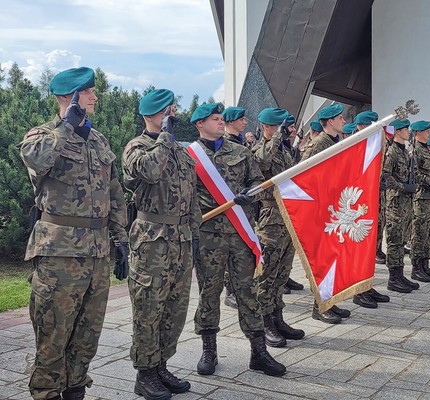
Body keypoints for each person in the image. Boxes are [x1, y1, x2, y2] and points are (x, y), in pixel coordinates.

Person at [18, 67, 129, 400]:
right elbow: (37, 162)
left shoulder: (98, 140)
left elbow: (114, 191)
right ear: (70, 96)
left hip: (96, 256)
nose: (95, 96)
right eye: (89, 91)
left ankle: (76, 391)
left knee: (86, 338)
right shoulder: (41, 136)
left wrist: (120, 238)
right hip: (59, 256)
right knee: (53, 338)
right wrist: (67, 126)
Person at [190, 103, 286, 377]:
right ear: (200, 124)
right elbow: (184, 197)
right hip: (208, 237)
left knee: (248, 293)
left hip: (240, 234)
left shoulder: (241, 152)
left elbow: (257, 183)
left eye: (222, 119)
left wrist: (249, 194)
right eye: (215, 119)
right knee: (209, 293)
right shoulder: (189, 157)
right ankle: (209, 350)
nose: (221, 122)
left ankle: (258, 352)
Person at [121, 89, 199, 399]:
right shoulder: (136, 148)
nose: (174, 115)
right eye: (168, 111)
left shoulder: (180, 152)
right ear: (152, 115)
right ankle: (145, 373)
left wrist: (193, 233)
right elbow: (150, 171)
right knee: (148, 309)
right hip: (151, 241)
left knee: (175, 310)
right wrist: (165, 137)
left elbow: (190, 196)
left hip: (180, 240)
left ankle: (161, 365)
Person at [252, 107, 306, 347]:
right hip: (271, 218)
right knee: (267, 274)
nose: (287, 131)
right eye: (281, 127)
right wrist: (274, 137)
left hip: (288, 217)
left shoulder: (284, 150)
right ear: (267, 127)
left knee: (282, 273)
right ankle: (264, 323)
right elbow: (261, 163)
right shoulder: (259, 149)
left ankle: (277, 318)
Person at [300, 104, 353, 323]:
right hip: (321, 211)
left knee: (333, 258)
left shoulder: (335, 142)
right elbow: (302, 175)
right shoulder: (318, 144)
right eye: (340, 118)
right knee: (321, 260)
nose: (343, 121)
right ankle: (319, 306)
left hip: (334, 210)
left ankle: (329, 301)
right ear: (330, 122)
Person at [350, 110, 391, 309]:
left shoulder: (371, 145)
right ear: (364, 127)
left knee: (370, 247)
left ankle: (367, 286)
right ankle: (359, 291)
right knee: (359, 249)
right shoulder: (354, 146)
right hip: (357, 207)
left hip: (371, 203)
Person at [382, 118, 419, 293]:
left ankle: (400, 275)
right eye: (405, 129)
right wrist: (402, 186)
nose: (408, 132)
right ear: (397, 132)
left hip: (406, 203)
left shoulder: (406, 152)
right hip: (396, 203)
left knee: (402, 239)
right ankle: (393, 278)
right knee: (394, 241)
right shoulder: (393, 152)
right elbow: (385, 176)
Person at [408, 120, 430, 282]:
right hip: (421, 198)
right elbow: (414, 173)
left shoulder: (427, 150)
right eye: (427, 131)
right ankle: (416, 268)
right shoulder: (414, 150)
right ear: (418, 133)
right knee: (420, 234)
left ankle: (425, 265)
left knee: (428, 233)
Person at [221, 106, 248, 308]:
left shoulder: (242, 145)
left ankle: (237, 289)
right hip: (226, 210)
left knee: (241, 254)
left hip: (243, 208)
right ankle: (229, 291)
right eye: (241, 119)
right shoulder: (224, 145)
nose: (245, 122)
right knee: (228, 253)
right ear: (230, 122)